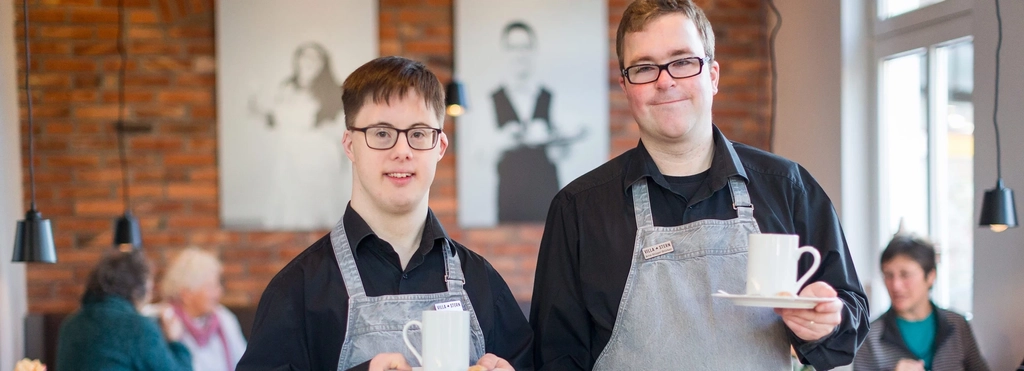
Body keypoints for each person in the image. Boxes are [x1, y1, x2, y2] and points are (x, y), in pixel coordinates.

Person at [529, 1, 869, 370]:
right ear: (626, 86)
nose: (665, 80)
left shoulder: (786, 188)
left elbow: (847, 325)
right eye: (644, 68)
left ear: (714, 75)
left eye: (683, 61)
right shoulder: (579, 209)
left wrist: (823, 324)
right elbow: (554, 359)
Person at [237, 56, 532, 371]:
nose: (402, 150)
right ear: (350, 145)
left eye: (418, 134)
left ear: (440, 146)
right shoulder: (297, 289)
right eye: (381, 133)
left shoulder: (482, 282)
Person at [249, 42, 350, 230]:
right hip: (290, 157)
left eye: (315, 58)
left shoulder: (333, 91)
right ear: (297, 60)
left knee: (317, 210)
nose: (309, 61)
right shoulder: (287, 87)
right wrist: (255, 104)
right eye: (305, 56)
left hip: (318, 158)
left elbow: (339, 128)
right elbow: (275, 118)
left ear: (323, 63)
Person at [491, 21, 584, 223]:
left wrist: (551, 137)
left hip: (548, 197)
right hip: (509, 199)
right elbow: (478, 152)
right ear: (504, 52)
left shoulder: (552, 97)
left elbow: (567, 149)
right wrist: (506, 139)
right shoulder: (491, 99)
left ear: (533, 51)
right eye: (513, 48)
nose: (519, 54)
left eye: (525, 47)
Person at [853, 235, 989, 371]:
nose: (895, 285)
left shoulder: (957, 325)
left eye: (905, 275)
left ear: (930, 276)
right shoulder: (869, 336)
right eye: (888, 275)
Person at [56, 250, 192, 371]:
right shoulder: (138, 327)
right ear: (137, 290)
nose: (150, 296)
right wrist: (174, 341)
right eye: (149, 288)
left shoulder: (70, 324)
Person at [160, 247, 247, 371]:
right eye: (211, 286)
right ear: (186, 294)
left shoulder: (224, 318)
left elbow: (244, 362)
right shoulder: (165, 320)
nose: (219, 292)